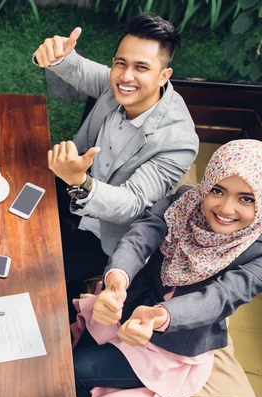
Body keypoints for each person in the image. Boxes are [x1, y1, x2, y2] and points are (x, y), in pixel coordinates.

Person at [33, 13, 199, 320]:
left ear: (164, 75)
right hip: (70, 183)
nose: (125, 77)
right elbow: (82, 71)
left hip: (105, 233)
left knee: (42, 277)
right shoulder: (118, 83)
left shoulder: (179, 141)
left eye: (141, 67)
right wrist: (57, 57)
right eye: (120, 63)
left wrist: (81, 181)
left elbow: (133, 203)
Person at [71, 140, 262, 397]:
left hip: (173, 344)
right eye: (217, 190)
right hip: (126, 307)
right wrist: (116, 281)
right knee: (71, 357)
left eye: (247, 199)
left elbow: (219, 298)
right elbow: (140, 238)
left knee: (77, 370)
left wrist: (157, 317)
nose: (226, 208)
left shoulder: (258, 252)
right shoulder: (184, 201)